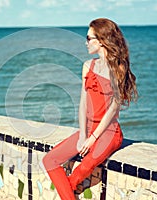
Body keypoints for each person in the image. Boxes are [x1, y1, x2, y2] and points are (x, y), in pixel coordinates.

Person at [42, 18, 138, 199]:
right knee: (49, 160)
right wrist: (83, 135)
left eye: (89, 38)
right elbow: (83, 103)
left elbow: (113, 108)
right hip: (88, 129)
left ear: (101, 40)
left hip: (109, 132)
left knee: (83, 168)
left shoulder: (118, 67)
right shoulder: (88, 66)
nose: (85, 42)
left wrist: (93, 138)